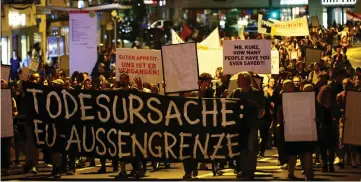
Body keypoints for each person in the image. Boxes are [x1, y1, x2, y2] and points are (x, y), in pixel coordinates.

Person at [229, 72, 265, 180]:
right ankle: (243, 170)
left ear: (246, 80)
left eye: (240, 80)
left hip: (252, 125)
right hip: (239, 126)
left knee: (251, 148)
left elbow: (262, 109)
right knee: (242, 148)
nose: (238, 82)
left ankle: (250, 171)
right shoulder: (236, 93)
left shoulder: (256, 93)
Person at [277, 80, 315, 180]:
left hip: (292, 128)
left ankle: (293, 173)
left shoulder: (284, 98)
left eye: (285, 88)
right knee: (303, 151)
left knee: (293, 152)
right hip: (303, 127)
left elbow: (279, 113)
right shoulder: (303, 97)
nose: (283, 90)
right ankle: (307, 174)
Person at [316, 85, 339, 173]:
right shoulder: (319, 104)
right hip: (322, 127)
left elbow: (337, 114)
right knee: (323, 148)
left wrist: (336, 118)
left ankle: (330, 164)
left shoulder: (334, 103)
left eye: (329, 93)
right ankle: (324, 164)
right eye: (326, 93)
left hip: (332, 127)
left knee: (332, 147)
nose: (328, 95)